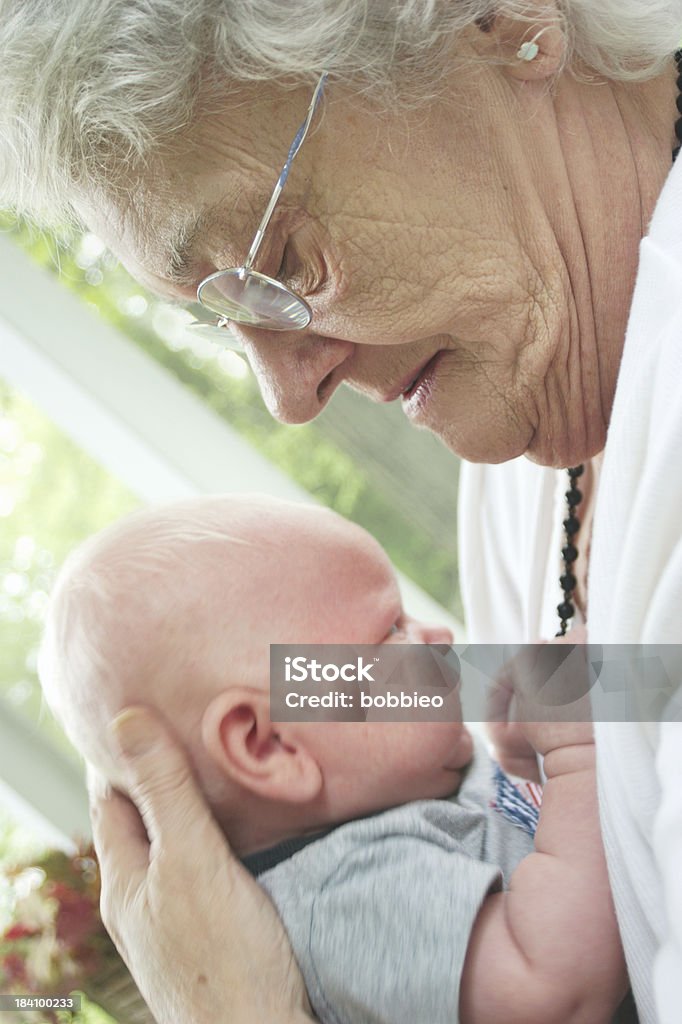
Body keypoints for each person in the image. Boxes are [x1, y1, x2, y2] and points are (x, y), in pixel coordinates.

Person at [2, 1, 681, 1021]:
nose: (288, 397)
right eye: (229, 318)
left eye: (280, 266)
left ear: (500, 23)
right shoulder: (519, 477)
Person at [40, 495, 626, 1024]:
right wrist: (577, 754)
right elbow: (554, 993)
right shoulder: (344, 897)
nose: (438, 634)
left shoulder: (399, 795)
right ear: (269, 747)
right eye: (391, 629)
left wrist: (527, 763)